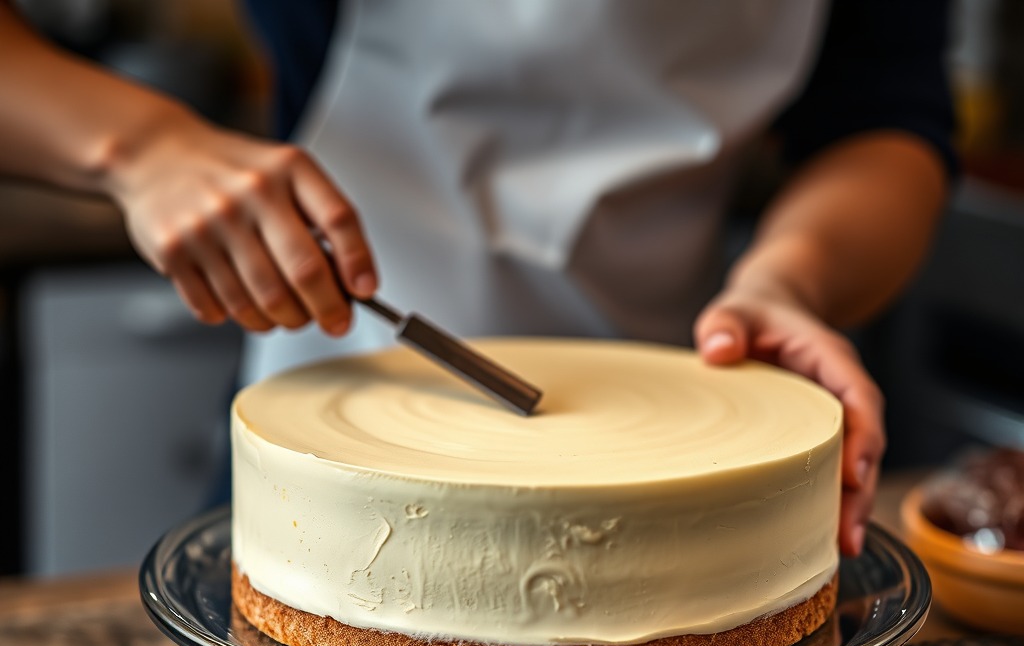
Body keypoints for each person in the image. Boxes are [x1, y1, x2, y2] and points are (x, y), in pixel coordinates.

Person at [0, 0, 956, 558]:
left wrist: (791, 282)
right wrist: (138, 146)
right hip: (336, 413)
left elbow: (884, 123)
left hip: (679, 428)